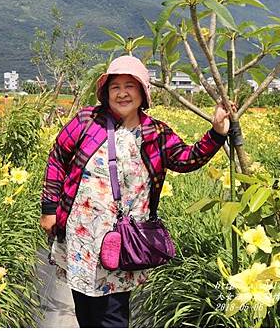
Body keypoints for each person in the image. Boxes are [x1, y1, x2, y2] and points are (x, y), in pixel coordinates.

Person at [40, 55, 231, 327]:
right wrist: (49, 210)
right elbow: (57, 158)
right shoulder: (87, 120)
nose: (122, 93)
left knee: (113, 314)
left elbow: (186, 159)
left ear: (143, 91)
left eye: (130, 85)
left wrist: (217, 132)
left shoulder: (155, 132)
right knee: (85, 308)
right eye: (115, 86)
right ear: (105, 92)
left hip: (124, 238)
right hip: (81, 234)